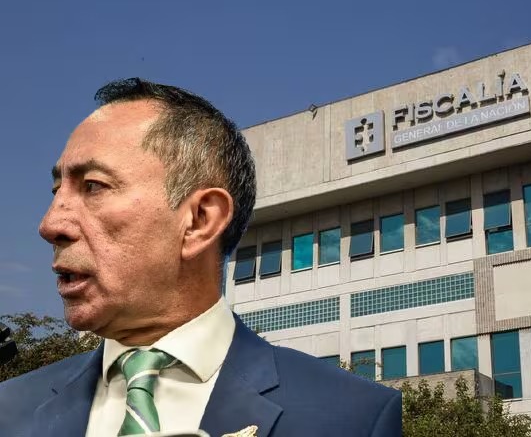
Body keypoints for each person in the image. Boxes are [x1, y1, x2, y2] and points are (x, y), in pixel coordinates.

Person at [0, 78, 401, 437]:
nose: (50, 224)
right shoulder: (9, 409)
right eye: (56, 191)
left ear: (199, 221)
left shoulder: (352, 416)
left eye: (92, 186)